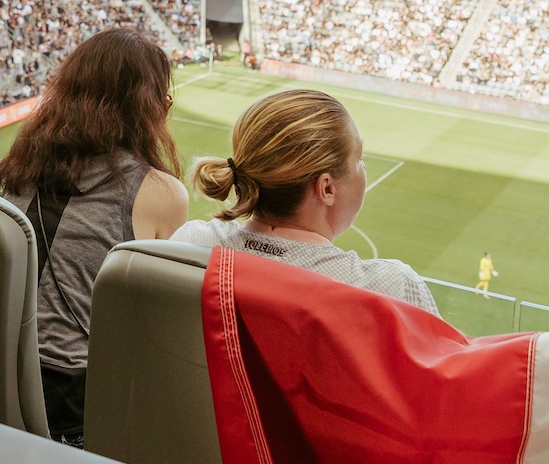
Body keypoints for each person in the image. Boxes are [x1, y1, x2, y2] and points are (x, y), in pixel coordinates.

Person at [0, 27, 188, 447]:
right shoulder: (159, 192)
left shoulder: (20, 166)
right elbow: (155, 322)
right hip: (73, 400)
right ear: (146, 107)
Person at [173, 87, 434, 312]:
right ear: (327, 188)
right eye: (359, 159)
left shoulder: (190, 245)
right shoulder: (392, 289)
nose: (364, 170)